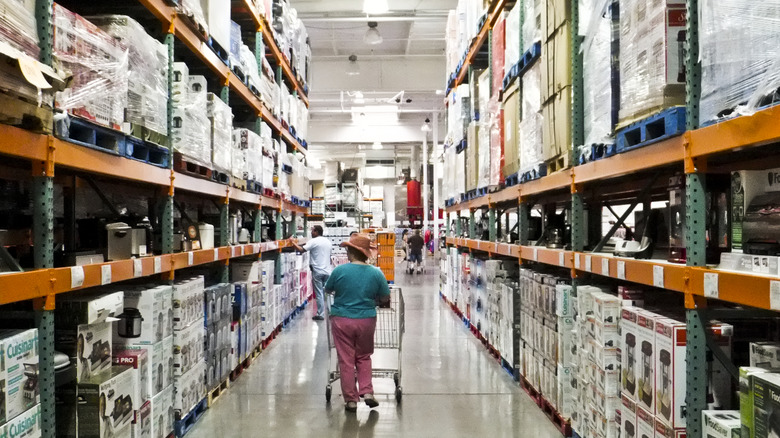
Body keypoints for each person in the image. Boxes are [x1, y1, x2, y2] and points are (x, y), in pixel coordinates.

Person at [324, 233, 390, 412]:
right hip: (366, 320)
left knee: (346, 360)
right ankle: (367, 392)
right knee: (363, 356)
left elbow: (328, 289)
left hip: (342, 319)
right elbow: (385, 297)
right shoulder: (376, 273)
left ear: (351, 252)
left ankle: (351, 400)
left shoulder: (339, 271)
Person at [290, 225, 332, 320]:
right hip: (327, 271)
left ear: (316, 232)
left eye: (312, 231)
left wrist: (292, 242)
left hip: (317, 271)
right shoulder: (328, 242)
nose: (311, 233)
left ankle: (320, 314)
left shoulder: (313, 241)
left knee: (319, 293)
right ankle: (331, 312)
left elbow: (301, 250)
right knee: (328, 293)